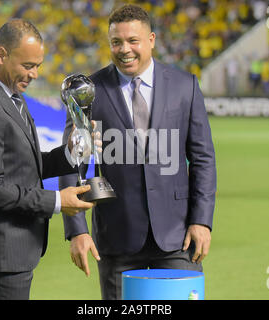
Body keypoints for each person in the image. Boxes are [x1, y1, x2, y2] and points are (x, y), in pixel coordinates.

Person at [59, 4, 216, 300]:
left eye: (133, 41)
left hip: (178, 238)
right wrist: (77, 230)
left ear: (152, 39)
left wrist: (202, 220)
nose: (124, 49)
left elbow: (203, 159)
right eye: (116, 42)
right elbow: (71, 162)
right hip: (117, 239)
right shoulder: (88, 91)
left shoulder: (185, 86)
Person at [0, 19, 96, 300]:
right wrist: (57, 201)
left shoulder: (10, 95)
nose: (34, 74)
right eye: (28, 66)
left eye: (38, 66)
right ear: (1, 55)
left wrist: (69, 152)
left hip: (13, 253)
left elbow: (24, 166)